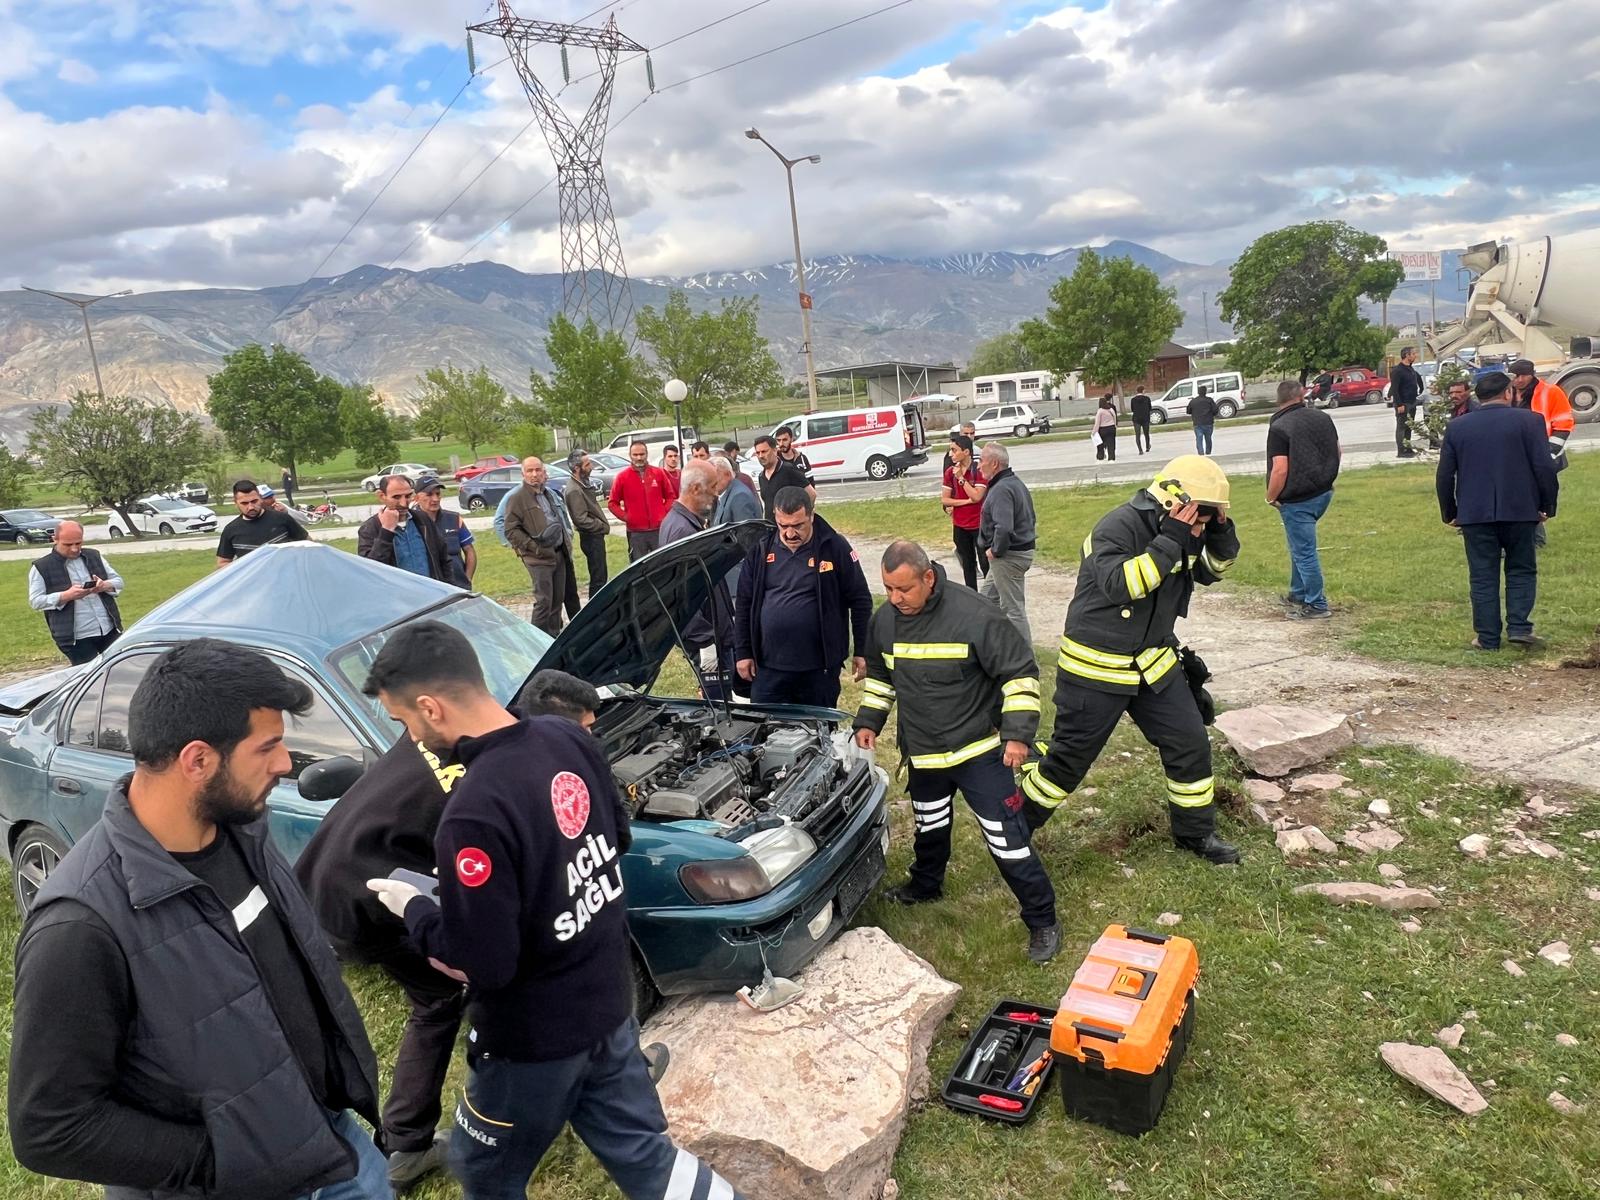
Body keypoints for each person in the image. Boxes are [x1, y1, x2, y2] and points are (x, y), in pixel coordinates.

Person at [359, 623, 746, 1200]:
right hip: (608, 1006)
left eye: (402, 720)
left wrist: (417, 909)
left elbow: (482, 962)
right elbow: (614, 838)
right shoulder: (567, 739)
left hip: (531, 1043)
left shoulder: (473, 813)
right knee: (648, 1158)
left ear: (430, 707)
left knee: (482, 1171)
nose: (409, 735)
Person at [9, 640, 387, 1199]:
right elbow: (49, 1126)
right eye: (269, 748)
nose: (285, 765)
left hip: (332, 1143)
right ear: (198, 760)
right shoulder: (80, 928)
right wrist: (229, 1163)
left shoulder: (244, 833)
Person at [1018, 455, 1243, 866]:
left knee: (1188, 741)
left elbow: (1212, 569)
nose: (1202, 527)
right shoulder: (1117, 526)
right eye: (1202, 516)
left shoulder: (1188, 527)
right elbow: (1122, 585)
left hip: (1152, 660)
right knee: (1068, 762)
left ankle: (1196, 833)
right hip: (1095, 665)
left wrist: (1220, 532)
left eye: (1210, 518)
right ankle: (1014, 830)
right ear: (1175, 502)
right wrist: (1171, 538)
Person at [854, 542, 1060, 963]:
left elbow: (1019, 673)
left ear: (928, 577)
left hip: (979, 751)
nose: (895, 599)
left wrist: (1018, 735)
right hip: (925, 753)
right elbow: (880, 678)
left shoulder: (975, 614)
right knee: (930, 827)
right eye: (889, 589)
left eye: (904, 589)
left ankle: (1042, 920)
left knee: (1007, 839)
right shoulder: (885, 621)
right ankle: (925, 885)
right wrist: (867, 721)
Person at [296, 731, 468, 1192]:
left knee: (446, 991)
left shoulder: (433, 730)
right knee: (439, 998)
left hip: (317, 880)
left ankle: (406, 1144)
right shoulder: (495, 779)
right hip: (361, 906)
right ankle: (407, 1148)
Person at [1435, 371, 1559, 651]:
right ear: (1508, 393)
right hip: (1520, 509)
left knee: (1482, 575)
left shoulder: (1458, 427)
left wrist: (1450, 511)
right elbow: (1544, 467)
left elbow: (1445, 475)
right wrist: (1546, 505)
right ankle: (1519, 627)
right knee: (1522, 569)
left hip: (1475, 514)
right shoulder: (1530, 421)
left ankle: (1487, 638)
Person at [733, 487, 872, 708]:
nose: (790, 534)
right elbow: (744, 603)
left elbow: (860, 600)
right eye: (783, 526)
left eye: (798, 525)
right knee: (766, 734)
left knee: (818, 734)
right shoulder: (760, 550)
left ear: (811, 515)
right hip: (769, 669)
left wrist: (863, 651)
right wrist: (743, 652)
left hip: (818, 670)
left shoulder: (834, 547)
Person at [1265, 379, 1341, 621]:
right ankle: (1298, 593)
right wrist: (1327, 478)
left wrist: (1271, 496)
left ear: (1279, 400)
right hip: (1323, 491)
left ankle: (1317, 604)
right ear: (1301, 396)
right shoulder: (1322, 418)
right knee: (1299, 547)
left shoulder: (1279, 426)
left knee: (1305, 552)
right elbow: (1338, 451)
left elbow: (1280, 469)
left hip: (1298, 499)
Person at [660, 461, 736, 694]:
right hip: (707, 640)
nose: (716, 494)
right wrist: (706, 641)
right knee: (722, 712)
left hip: (712, 635)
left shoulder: (683, 524)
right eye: (712, 487)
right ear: (695, 489)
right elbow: (679, 594)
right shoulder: (682, 532)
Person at [27, 520, 122, 664]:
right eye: (68, 544)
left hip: (109, 629)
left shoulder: (94, 555)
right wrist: (66, 596)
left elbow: (118, 581)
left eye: (78, 543)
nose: (74, 549)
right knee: (90, 679)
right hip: (75, 638)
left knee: (119, 670)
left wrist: (104, 585)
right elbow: (35, 601)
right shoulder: (42, 566)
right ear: (55, 539)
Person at [1509, 357, 1575, 549]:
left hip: (1543, 452)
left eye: (1523, 376)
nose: (1519, 380)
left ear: (1532, 375)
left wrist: (1549, 454)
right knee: (1525, 495)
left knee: (1535, 495)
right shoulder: (1508, 392)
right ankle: (1533, 539)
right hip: (1518, 454)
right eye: (1515, 376)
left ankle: (1536, 540)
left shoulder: (1550, 392)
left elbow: (1563, 424)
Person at [504, 457, 572, 636]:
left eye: (537, 470)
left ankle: (553, 639)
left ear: (544, 472)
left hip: (558, 553)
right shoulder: (517, 498)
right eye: (530, 471)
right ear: (523, 474)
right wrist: (534, 547)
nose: (534, 475)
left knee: (557, 600)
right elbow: (511, 530)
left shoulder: (549, 493)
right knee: (544, 602)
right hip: (537, 559)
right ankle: (536, 642)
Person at [977, 442, 1036, 645]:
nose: (978, 466)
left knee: (1013, 609)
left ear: (994, 464)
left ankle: (1025, 662)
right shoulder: (1013, 483)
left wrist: (995, 550)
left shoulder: (1002, 489)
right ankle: (991, 647)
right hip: (1011, 555)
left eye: (981, 461)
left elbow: (1004, 527)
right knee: (985, 601)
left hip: (1008, 557)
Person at [358, 474, 450, 580]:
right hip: (397, 595)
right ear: (382, 496)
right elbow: (370, 571)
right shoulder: (370, 529)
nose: (403, 503)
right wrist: (386, 531)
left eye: (407, 496)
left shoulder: (422, 519)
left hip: (432, 593)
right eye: (396, 497)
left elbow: (444, 559)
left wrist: (450, 589)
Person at [216, 478, 310, 566]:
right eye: (244, 503)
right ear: (235, 503)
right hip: (254, 582)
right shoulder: (231, 530)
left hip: (287, 578)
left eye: (254, 501)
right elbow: (223, 563)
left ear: (260, 498)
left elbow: (309, 544)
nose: (251, 507)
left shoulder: (282, 519)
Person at [607, 440, 676, 561]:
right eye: (635, 455)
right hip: (636, 533)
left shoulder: (658, 474)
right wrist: (627, 517)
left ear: (647, 454)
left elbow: (671, 497)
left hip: (658, 530)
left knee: (662, 563)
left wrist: (663, 513)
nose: (639, 458)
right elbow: (613, 503)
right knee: (639, 566)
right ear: (630, 456)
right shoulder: (622, 477)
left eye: (642, 454)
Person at [941, 433, 988, 589]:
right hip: (960, 525)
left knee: (985, 562)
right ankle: (972, 595)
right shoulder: (950, 473)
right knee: (968, 564)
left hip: (979, 525)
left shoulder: (979, 470)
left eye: (954, 450)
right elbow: (945, 500)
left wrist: (962, 479)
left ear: (966, 452)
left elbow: (977, 496)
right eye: (950, 451)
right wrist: (964, 502)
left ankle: (991, 597)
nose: (951, 454)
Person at [415, 474, 476, 589]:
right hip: (429, 588)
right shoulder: (411, 523)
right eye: (429, 495)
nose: (435, 499)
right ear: (417, 498)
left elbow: (469, 550)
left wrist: (467, 579)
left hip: (458, 587)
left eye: (438, 494)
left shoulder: (454, 519)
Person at [564, 452, 612, 599]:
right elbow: (581, 519)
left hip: (595, 536)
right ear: (577, 468)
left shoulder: (582, 484)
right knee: (598, 578)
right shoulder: (574, 490)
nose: (591, 467)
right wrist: (601, 526)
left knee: (601, 576)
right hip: (591, 538)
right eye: (587, 464)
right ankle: (596, 612)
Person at [752, 433, 810, 521]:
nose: (760, 456)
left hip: (789, 527)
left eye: (764, 451)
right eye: (758, 453)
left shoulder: (788, 470)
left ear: (775, 451)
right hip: (771, 528)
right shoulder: (761, 477)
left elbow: (811, 493)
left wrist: (802, 519)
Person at [1388, 348, 1423, 458]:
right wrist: (1399, 404)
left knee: (1409, 427)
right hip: (1403, 403)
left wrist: (1420, 391)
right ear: (1407, 355)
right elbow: (1395, 389)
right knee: (1402, 427)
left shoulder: (1411, 369)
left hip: (1412, 402)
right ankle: (1401, 451)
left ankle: (1408, 448)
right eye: (1413, 354)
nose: (1415, 356)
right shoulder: (1398, 371)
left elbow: (1418, 380)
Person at [712, 453, 762, 524]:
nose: (710, 483)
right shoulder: (726, 492)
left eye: (714, 478)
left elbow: (745, 532)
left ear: (728, 475)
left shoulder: (739, 496)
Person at [775, 427, 817, 494]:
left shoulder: (802, 458)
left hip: (801, 500)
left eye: (785, 440)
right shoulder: (775, 460)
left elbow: (811, 483)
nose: (781, 443)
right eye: (778, 440)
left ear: (791, 439)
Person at [1186, 385, 1217, 455]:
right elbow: (1215, 410)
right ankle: (1208, 452)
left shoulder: (1193, 401)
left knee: (1199, 439)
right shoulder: (1209, 400)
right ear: (1205, 392)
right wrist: (1211, 415)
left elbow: (1188, 411)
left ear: (1198, 392)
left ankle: (1201, 453)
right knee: (1208, 438)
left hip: (1197, 423)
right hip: (1208, 422)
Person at [1093, 394, 1119, 462]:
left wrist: (1094, 431)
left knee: (1101, 444)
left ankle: (1100, 457)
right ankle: (1111, 458)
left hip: (1103, 429)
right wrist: (1115, 426)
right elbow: (1115, 418)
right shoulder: (1111, 409)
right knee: (1111, 444)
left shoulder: (1100, 411)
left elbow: (1097, 422)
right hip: (1111, 428)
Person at [1129, 390, 1153, 454]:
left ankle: (1140, 450)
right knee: (1146, 433)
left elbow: (1132, 409)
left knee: (1137, 435)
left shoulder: (1133, 400)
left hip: (1136, 419)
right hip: (1145, 418)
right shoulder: (1147, 399)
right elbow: (1150, 408)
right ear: (1143, 391)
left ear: (1137, 391)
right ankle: (1147, 447)